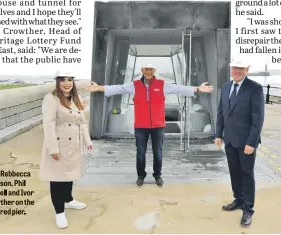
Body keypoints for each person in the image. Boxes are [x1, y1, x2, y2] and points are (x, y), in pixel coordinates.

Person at [86, 63, 213, 187]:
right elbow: (118, 88)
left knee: (158, 152)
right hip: (141, 126)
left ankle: (157, 175)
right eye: (146, 69)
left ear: (154, 71)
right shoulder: (134, 85)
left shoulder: (163, 85)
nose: (148, 72)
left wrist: (197, 89)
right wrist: (99, 88)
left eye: (151, 69)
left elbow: (179, 88)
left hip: (158, 125)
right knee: (140, 152)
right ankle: (141, 176)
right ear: (142, 71)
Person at [39, 70, 93, 229]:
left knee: (70, 174)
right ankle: (59, 212)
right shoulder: (51, 98)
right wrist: (52, 149)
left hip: (74, 144)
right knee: (57, 178)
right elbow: (48, 125)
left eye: (70, 79)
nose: (67, 83)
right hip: (59, 144)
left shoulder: (76, 98)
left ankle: (68, 200)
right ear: (57, 81)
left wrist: (87, 140)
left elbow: (82, 122)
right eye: (63, 80)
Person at [215, 57, 265, 227]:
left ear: (247, 70)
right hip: (229, 140)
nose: (237, 71)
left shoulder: (255, 88)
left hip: (246, 143)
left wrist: (252, 143)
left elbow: (257, 119)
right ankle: (238, 200)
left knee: (247, 175)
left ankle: (248, 209)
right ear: (231, 68)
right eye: (235, 68)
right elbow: (221, 112)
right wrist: (218, 134)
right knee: (234, 172)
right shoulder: (226, 87)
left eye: (241, 68)